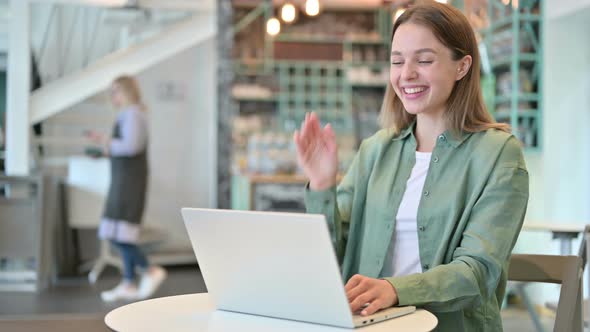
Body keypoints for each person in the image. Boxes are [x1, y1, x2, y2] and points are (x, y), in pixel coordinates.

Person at [294, 1, 529, 331]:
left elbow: (478, 271)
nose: (406, 74)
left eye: (424, 60)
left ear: (462, 66)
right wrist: (321, 185)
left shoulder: (498, 154)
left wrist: (395, 290)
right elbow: (329, 257)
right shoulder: (375, 151)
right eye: (397, 61)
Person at [88, 75, 166, 302]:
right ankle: (129, 283)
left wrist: (106, 143)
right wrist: (106, 144)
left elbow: (132, 146)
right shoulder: (128, 114)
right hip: (123, 181)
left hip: (129, 184)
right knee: (120, 233)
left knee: (118, 234)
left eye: (116, 91)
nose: (112, 96)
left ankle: (149, 269)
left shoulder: (133, 114)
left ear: (128, 91)